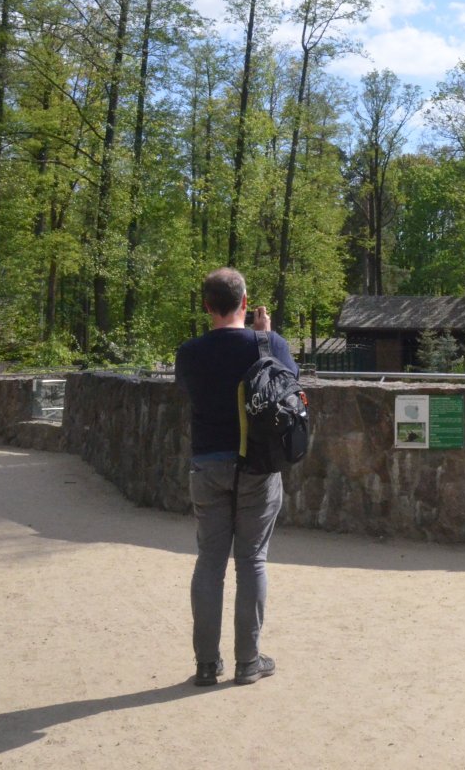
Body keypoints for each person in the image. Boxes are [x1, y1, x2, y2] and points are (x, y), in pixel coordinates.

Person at [174, 267, 298, 687]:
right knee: (252, 561)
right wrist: (266, 338)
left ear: (207, 306)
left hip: (207, 464)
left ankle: (206, 664)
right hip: (258, 467)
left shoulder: (189, 352)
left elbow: (191, 393)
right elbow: (290, 391)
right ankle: (248, 662)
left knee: (210, 562)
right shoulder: (269, 343)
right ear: (245, 302)